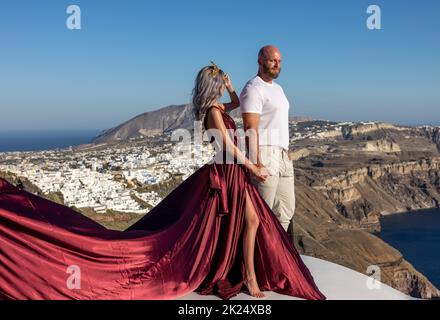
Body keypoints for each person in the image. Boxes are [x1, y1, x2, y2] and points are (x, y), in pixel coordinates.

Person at [0, 62, 325, 301]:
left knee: (251, 221)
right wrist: (252, 167)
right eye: (219, 81)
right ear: (210, 88)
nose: (224, 84)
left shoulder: (217, 106)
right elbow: (228, 148)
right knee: (245, 222)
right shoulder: (212, 112)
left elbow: (238, 105)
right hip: (227, 173)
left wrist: (229, 86)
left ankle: (246, 273)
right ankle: (248, 277)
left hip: (233, 174)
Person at [240, 45, 295, 232]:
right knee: (263, 213)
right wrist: (256, 163)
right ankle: (258, 258)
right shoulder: (253, 89)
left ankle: (278, 256)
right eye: (272, 60)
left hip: (282, 156)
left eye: (279, 61)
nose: (277, 65)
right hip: (265, 153)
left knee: (286, 211)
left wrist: (287, 151)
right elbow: (250, 128)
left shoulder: (278, 89)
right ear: (260, 61)